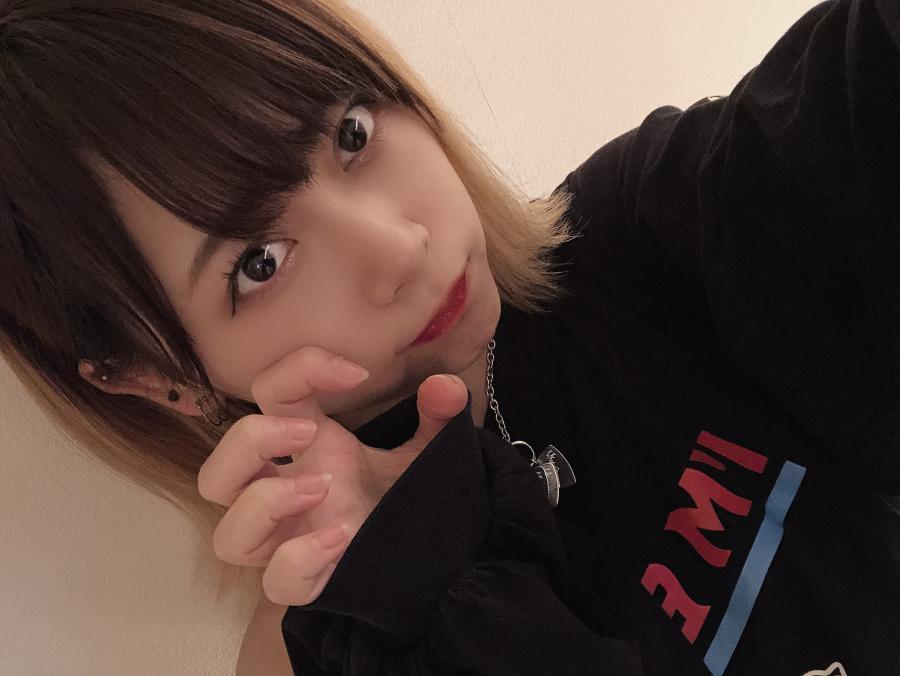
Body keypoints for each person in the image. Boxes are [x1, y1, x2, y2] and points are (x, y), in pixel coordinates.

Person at [0, 0, 897, 673]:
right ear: (147, 374)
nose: (397, 247)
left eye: (353, 133)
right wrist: (430, 584)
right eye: (259, 263)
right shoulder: (329, 645)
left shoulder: (646, 230)